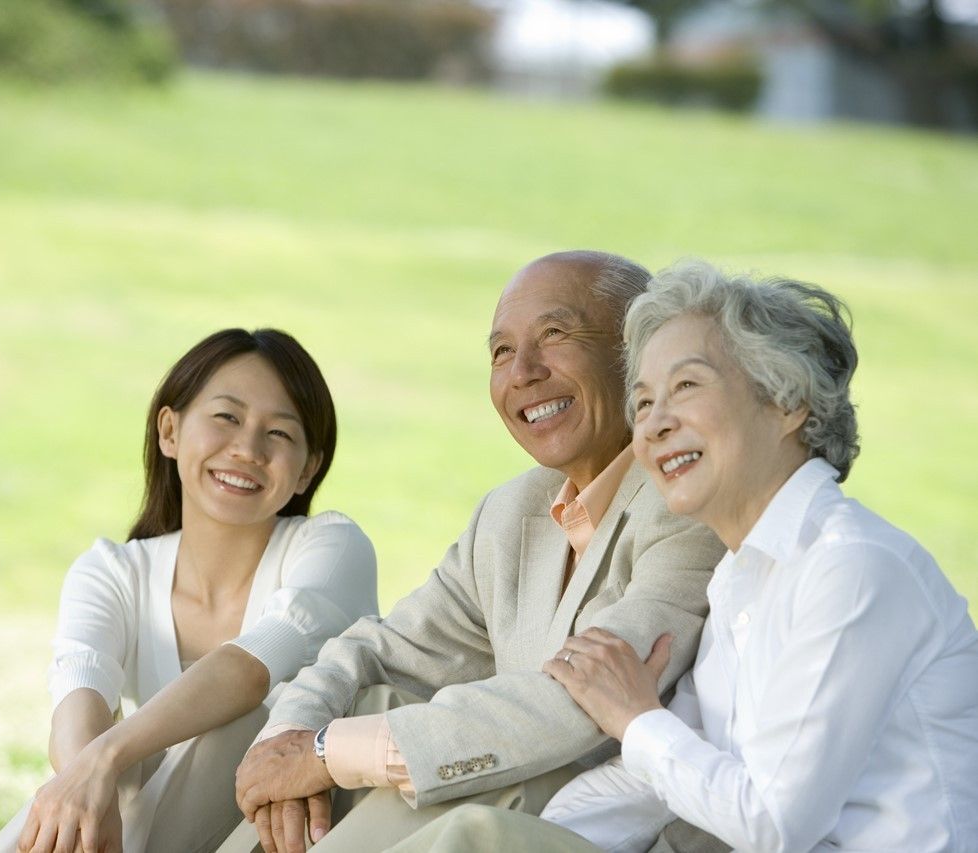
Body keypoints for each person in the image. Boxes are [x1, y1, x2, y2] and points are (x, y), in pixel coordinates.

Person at [393, 259, 978, 851]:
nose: (655, 427)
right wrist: (525, 838)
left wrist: (634, 719)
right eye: (643, 403)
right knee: (476, 835)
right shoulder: (740, 578)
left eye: (687, 387)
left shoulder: (852, 568)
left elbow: (773, 823)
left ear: (786, 402)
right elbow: (647, 784)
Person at [226, 251, 726, 853]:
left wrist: (327, 756)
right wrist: (292, 735)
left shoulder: (688, 503)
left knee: (374, 752)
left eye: (554, 334)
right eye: (500, 352)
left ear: (639, 353)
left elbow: (587, 698)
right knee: (358, 707)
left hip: (607, 827)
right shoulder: (511, 512)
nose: (523, 372)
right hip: (510, 799)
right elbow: (378, 649)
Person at [0, 328, 378, 853]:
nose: (247, 449)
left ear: (308, 468)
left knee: (243, 720)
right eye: (226, 417)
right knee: (101, 776)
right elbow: (80, 690)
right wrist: (86, 783)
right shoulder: (112, 570)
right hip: (180, 825)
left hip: (301, 824)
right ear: (169, 430)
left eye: (279, 434)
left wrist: (103, 761)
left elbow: (252, 666)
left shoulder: (333, 548)